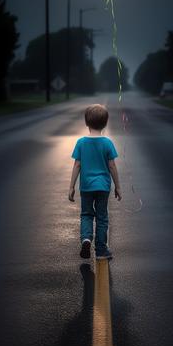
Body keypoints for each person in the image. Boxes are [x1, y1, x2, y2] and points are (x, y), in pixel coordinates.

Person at [68, 104, 122, 260]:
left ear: (86, 123)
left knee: (86, 214)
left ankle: (85, 239)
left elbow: (77, 165)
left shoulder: (81, 142)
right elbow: (112, 166)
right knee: (102, 217)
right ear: (105, 123)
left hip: (86, 187)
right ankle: (100, 250)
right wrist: (118, 186)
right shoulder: (107, 143)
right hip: (103, 187)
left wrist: (71, 186)